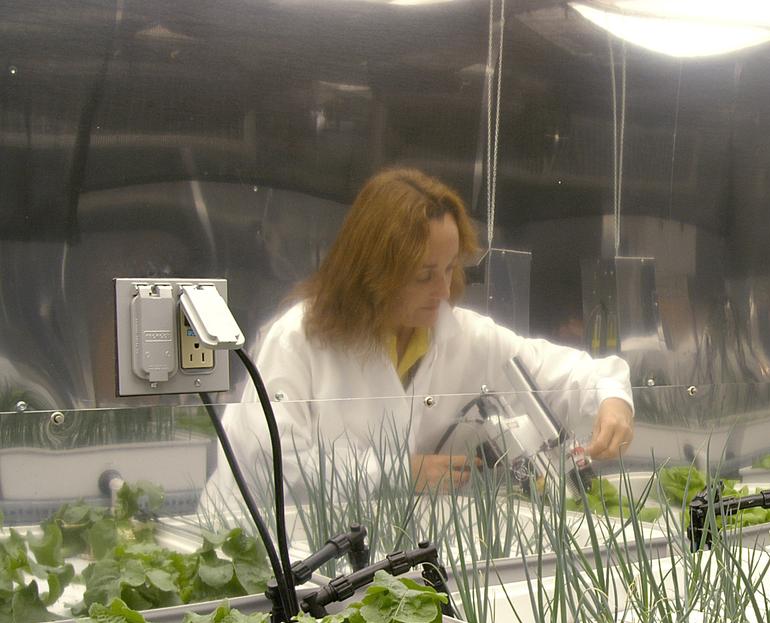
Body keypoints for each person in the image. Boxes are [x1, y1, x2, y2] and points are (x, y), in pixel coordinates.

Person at [211, 167, 634, 502]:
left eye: (449, 268)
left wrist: (611, 399)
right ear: (373, 271)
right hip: (258, 545)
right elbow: (269, 463)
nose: (444, 290)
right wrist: (399, 473)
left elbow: (567, 372)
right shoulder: (300, 339)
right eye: (423, 275)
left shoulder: (463, 336)